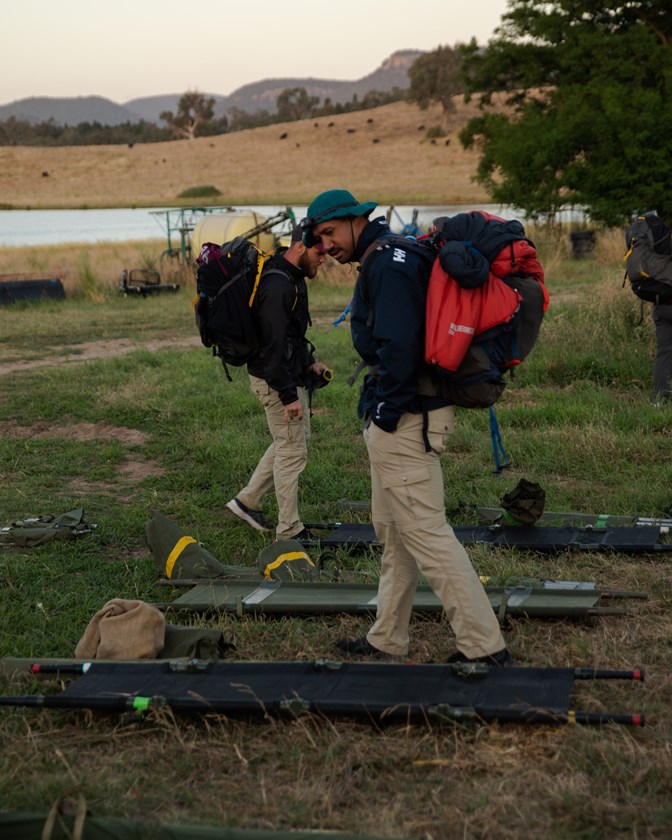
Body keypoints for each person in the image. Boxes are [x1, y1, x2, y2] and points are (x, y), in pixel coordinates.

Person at [302, 189, 512, 665]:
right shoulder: (395, 253)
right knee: (395, 533)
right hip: (407, 411)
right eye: (318, 238)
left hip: (407, 417)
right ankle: (387, 637)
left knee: (426, 534)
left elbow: (399, 346)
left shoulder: (388, 263)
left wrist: (387, 414)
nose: (326, 246)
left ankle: (485, 647)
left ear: (358, 220)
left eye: (330, 233)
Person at [226, 224, 328, 539]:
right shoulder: (277, 285)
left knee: (288, 443)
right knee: (292, 452)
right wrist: (288, 396)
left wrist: (309, 364)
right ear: (300, 247)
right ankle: (289, 530)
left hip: (287, 375)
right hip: (275, 381)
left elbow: (290, 338)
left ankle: (248, 500)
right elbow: (272, 348)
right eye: (319, 252)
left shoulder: (293, 279)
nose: (324, 259)